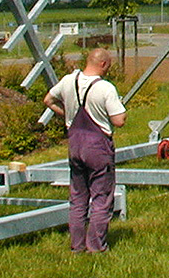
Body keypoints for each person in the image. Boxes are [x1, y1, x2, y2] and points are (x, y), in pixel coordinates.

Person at [44, 48, 127, 253]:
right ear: (104, 64)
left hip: (75, 144)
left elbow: (48, 100)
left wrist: (66, 116)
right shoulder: (105, 88)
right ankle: (96, 246)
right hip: (97, 147)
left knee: (78, 198)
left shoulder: (68, 81)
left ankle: (77, 246)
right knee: (100, 198)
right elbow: (119, 120)